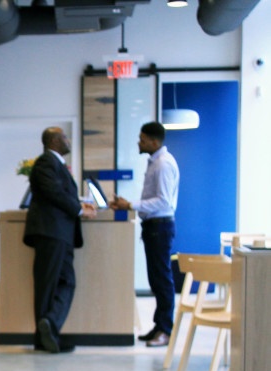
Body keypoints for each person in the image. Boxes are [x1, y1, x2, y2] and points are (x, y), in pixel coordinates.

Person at [23, 127, 97, 353]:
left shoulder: (54, 164)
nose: (68, 141)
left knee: (65, 282)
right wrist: (79, 209)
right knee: (47, 285)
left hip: (60, 234)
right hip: (51, 233)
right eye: (64, 137)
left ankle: (49, 327)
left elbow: (59, 192)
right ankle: (45, 336)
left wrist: (78, 205)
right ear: (54, 141)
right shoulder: (46, 162)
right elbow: (53, 192)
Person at [109, 122, 179, 348]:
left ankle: (166, 331)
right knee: (156, 279)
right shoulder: (154, 163)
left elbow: (163, 200)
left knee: (162, 279)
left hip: (160, 226)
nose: (139, 142)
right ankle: (159, 326)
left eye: (142, 139)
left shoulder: (163, 165)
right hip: (153, 226)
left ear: (154, 142)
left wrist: (130, 204)